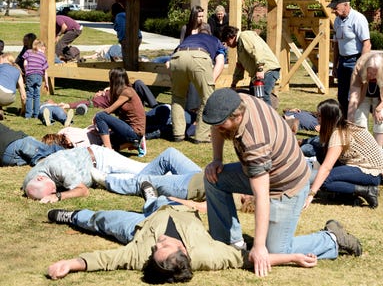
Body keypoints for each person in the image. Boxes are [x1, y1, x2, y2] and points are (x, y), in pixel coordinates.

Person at [202, 88, 362, 277]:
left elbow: (262, 195)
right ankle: (231, 243)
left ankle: (331, 238)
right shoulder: (235, 101)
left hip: (286, 185)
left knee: (275, 252)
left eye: (221, 125)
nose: (217, 129)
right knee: (213, 177)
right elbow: (216, 123)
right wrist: (217, 160)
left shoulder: (255, 142)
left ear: (237, 116)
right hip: (261, 171)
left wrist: (260, 247)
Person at [46, 190, 322, 283]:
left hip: (142, 224)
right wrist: (294, 257)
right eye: (163, 245)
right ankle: (152, 196)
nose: (158, 243)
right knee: (159, 199)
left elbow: (107, 259)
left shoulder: (142, 254)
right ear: (184, 251)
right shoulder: (209, 256)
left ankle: (73, 215)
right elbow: (250, 258)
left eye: (158, 247)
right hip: (177, 209)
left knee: (105, 219)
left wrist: (71, 263)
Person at [303, 98, 383, 209]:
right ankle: (345, 193)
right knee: (321, 152)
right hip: (358, 165)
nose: (317, 119)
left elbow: (326, 168)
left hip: (371, 173)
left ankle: (367, 190)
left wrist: (311, 194)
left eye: (319, 116)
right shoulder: (342, 126)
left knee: (324, 180)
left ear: (328, 118)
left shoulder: (338, 134)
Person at [22, 144, 147, 202]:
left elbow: (83, 191)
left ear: (40, 178)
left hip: (100, 159)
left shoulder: (59, 167)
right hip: (96, 174)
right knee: (138, 181)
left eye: (53, 189)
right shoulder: (29, 181)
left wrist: (58, 196)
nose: (56, 190)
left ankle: (166, 162)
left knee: (143, 170)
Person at [91, 147, 205, 203]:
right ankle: (134, 183)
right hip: (200, 175)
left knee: (146, 181)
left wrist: (190, 204)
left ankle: (108, 181)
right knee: (170, 154)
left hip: (192, 187)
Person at [169, 31, 225, 143]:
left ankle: (178, 134)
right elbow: (220, 62)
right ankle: (202, 136)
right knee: (207, 98)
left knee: (177, 98)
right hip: (199, 57)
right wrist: (211, 81)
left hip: (177, 58)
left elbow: (168, 62)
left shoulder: (188, 39)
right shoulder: (216, 41)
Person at [328, 0, 371, 116]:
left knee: (353, 96)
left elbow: (367, 44)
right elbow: (336, 44)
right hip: (342, 61)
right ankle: (346, 122)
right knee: (341, 96)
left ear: (346, 5)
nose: (333, 11)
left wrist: (361, 66)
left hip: (356, 60)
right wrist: (335, 66)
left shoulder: (358, 19)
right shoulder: (336, 21)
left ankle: (355, 123)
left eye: (335, 8)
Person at [221, 25, 281, 106]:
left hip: (267, 70)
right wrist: (233, 84)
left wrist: (260, 68)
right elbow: (240, 66)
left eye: (226, 42)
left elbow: (257, 49)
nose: (227, 45)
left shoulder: (245, 36)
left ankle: (268, 117)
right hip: (258, 74)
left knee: (262, 97)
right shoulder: (239, 46)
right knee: (253, 97)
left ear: (230, 36)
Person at [93, 67, 146, 156]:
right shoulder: (123, 90)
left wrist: (96, 116)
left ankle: (108, 150)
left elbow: (109, 110)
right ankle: (133, 143)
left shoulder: (127, 92)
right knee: (101, 140)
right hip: (129, 129)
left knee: (100, 116)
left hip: (134, 131)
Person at [347, 51, 383, 146]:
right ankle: (364, 148)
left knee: (381, 120)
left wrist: (379, 108)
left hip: (380, 96)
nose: (371, 76)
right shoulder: (359, 68)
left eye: (374, 74)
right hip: (363, 94)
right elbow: (354, 96)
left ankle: (379, 150)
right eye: (369, 72)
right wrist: (350, 119)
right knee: (359, 119)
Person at [23, 39, 49, 119]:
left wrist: (26, 72)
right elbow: (45, 71)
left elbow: (25, 64)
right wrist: (47, 83)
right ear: (39, 47)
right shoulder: (43, 56)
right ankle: (36, 114)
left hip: (30, 75)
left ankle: (28, 114)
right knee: (37, 95)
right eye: (43, 50)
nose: (43, 52)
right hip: (39, 76)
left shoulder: (28, 52)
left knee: (29, 95)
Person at [0, 53, 26, 118]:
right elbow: (23, 94)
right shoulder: (18, 72)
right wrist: (23, 109)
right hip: (10, 98)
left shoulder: (1, 66)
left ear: (5, 59)